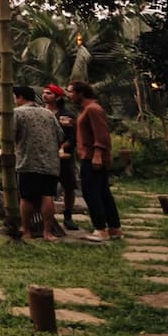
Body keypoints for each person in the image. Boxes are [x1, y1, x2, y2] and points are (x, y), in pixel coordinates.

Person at [10, 86, 61, 241]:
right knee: (48, 196)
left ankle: (26, 230)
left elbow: (11, 136)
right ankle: (48, 232)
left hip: (28, 161)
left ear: (19, 97)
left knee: (26, 197)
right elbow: (60, 135)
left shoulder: (17, 113)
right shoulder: (48, 113)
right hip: (50, 162)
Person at [73, 81, 122, 241]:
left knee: (91, 193)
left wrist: (98, 154)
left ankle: (100, 229)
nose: (69, 95)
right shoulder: (88, 110)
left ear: (80, 93)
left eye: (71, 92)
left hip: (92, 156)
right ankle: (114, 228)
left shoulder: (93, 109)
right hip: (90, 155)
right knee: (103, 193)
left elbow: (101, 134)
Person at [46, 85, 82, 233]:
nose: (45, 95)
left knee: (68, 186)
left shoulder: (66, 115)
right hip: (44, 157)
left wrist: (61, 147)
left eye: (49, 93)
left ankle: (68, 216)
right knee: (46, 188)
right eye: (44, 93)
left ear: (58, 97)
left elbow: (72, 137)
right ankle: (47, 218)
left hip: (64, 157)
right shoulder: (40, 113)